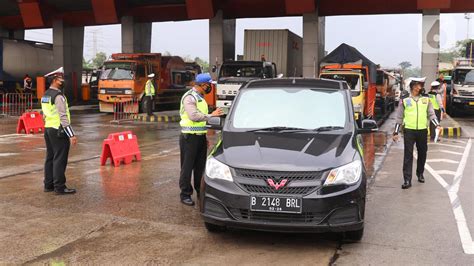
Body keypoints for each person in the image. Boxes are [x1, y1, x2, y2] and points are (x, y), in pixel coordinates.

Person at [179, 73, 223, 206]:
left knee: (200, 167)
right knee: (187, 167)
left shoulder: (200, 98)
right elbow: (193, 116)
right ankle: (185, 194)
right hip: (189, 138)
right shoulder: (189, 97)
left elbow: (201, 120)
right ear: (203, 85)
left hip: (199, 138)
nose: (210, 87)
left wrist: (204, 136)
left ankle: (200, 191)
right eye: (209, 85)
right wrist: (211, 115)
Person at [392, 77, 441, 189]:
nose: (421, 87)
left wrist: (437, 124)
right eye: (420, 85)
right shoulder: (405, 99)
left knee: (422, 153)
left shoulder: (426, 99)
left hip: (422, 131)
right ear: (413, 86)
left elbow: (431, 114)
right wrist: (395, 132)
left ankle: (420, 173)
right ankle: (407, 180)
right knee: (408, 155)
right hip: (409, 131)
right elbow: (399, 118)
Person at [41, 67, 78, 195]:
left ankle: (48, 185)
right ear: (55, 80)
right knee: (60, 159)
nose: (63, 81)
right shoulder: (58, 96)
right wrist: (71, 134)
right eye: (61, 78)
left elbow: (44, 114)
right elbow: (63, 116)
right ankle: (59, 187)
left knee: (50, 157)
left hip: (48, 129)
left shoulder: (45, 95)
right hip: (58, 130)